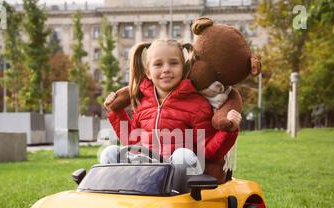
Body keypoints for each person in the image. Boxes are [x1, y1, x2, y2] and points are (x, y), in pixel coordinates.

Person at [101, 39, 241, 185]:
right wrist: (116, 112)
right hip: (147, 169)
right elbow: (132, 142)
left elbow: (208, 152)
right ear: (148, 72)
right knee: (110, 152)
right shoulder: (143, 103)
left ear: (183, 69)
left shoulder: (197, 105)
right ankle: (119, 191)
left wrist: (228, 132)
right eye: (158, 64)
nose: (166, 69)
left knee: (183, 156)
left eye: (173, 63)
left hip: (180, 176)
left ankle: (170, 192)